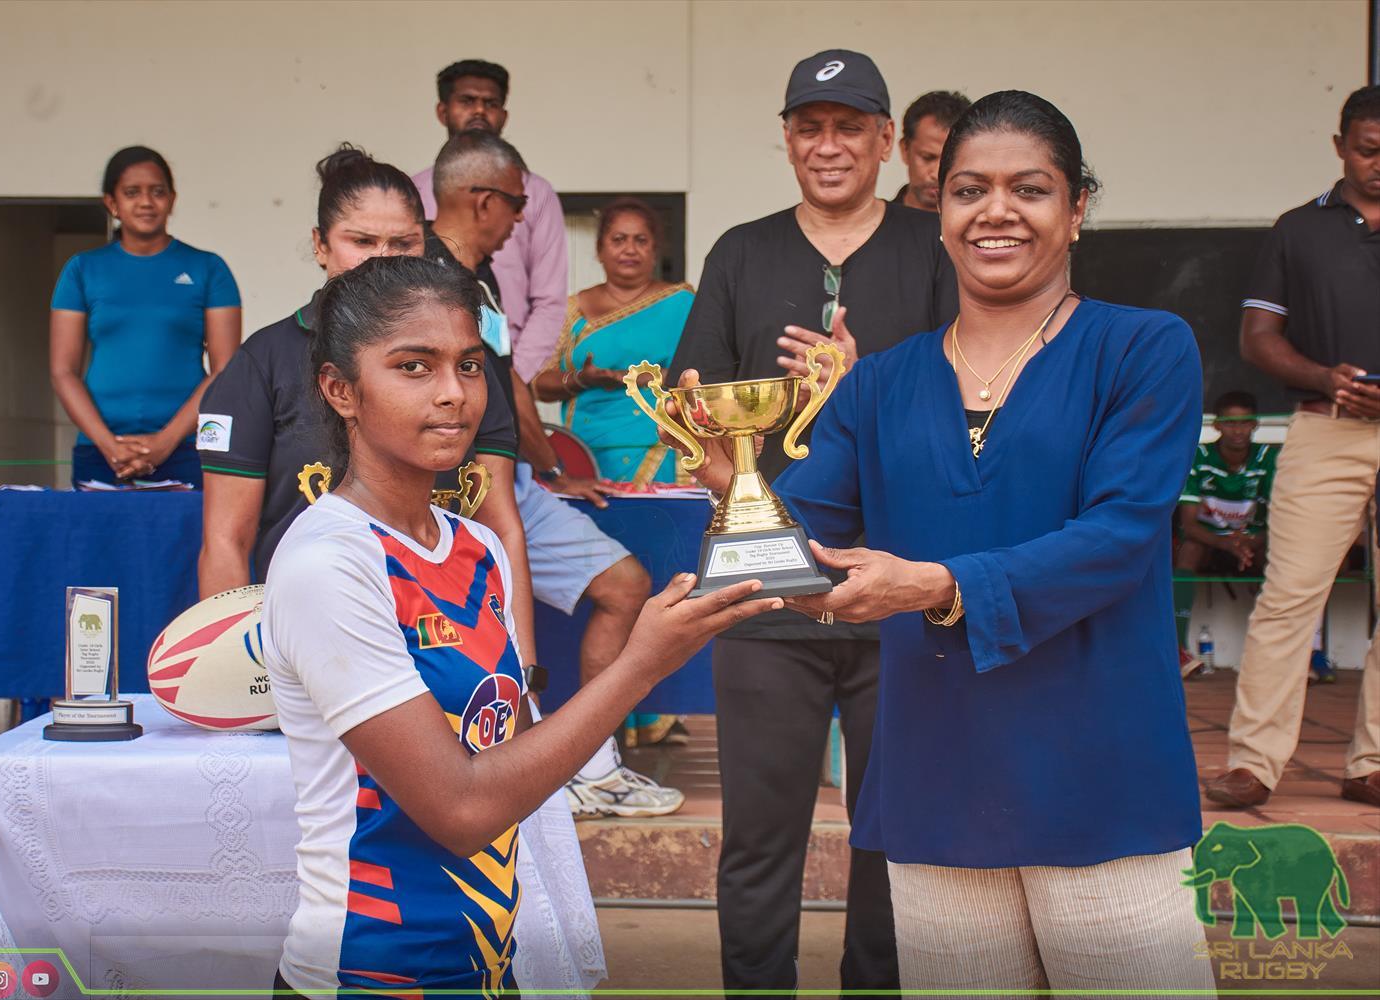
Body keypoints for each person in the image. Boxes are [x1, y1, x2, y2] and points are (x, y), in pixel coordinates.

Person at [669, 89, 1216, 994]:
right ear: (939, 210)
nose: (995, 211)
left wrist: (932, 585)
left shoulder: (1142, 349)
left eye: (1029, 189)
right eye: (969, 190)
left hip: (1099, 779)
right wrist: (738, 490)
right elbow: (805, 536)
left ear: (1076, 208)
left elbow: (1118, 538)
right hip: (937, 782)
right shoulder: (882, 382)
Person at [261, 254, 780, 998]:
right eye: (414, 367)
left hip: (484, 965)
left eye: (470, 367)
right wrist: (641, 663)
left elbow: (513, 758)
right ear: (342, 390)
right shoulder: (328, 562)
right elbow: (461, 808)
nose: (453, 395)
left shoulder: (473, 547)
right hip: (366, 970)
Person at [666, 49, 955, 993]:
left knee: (890, 835)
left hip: (897, 585)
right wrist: (745, 508)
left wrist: (862, 381)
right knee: (758, 836)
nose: (828, 146)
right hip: (763, 592)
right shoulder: (742, 253)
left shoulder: (932, 250)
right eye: (808, 126)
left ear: (886, 141)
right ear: (787, 137)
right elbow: (691, 407)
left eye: (849, 127)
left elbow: (974, 408)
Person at [194, 145, 531, 670]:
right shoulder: (263, 360)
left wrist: (521, 672)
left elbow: (500, 524)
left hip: (452, 648)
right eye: (362, 241)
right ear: (320, 245)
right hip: (315, 645)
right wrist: (244, 682)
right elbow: (226, 539)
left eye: (403, 243)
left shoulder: (467, 362)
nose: (383, 259)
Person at [425, 134, 681, 817]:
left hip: (516, 483)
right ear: (484, 200)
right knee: (475, 635)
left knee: (625, 584)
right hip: (457, 493)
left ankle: (591, 768)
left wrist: (544, 466)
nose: (521, 220)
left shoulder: (476, 278)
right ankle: (509, 768)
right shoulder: (419, 277)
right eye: (517, 203)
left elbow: (507, 383)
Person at [1206, 84, 1380, 810]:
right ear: (1340, 147)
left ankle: (1371, 765)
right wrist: (1326, 377)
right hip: (1325, 427)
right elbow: (1257, 340)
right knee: (1288, 598)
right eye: (1369, 151)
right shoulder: (1296, 231)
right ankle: (1254, 764)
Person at [50, 146, 241, 487]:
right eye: (132, 192)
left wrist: (164, 443)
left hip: (185, 449)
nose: (146, 202)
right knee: (98, 543)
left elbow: (226, 370)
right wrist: (108, 445)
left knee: (188, 544)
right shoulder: (82, 270)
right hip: (100, 451)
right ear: (112, 203)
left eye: (157, 191)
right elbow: (63, 371)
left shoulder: (209, 268)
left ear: (172, 199)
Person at [413, 59, 568, 381]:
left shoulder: (536, 193)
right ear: (443, 111)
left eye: (491, 103)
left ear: (504, 115)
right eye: (467, 101)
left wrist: (512, 376)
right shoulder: (411, 191)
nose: (480, 112)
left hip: (508, 371)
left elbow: (549, 300)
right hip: (430, 375)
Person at [534, 197, 694, 485]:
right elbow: (537, 384)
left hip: (660, 445)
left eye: (641, 240)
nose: (629, 249)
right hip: (586, 450)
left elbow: (698, 377)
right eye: (618, 239)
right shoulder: (572, 309)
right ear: (600, 249)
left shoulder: (682, 303)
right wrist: (582, 379)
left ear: (654, 250)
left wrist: (628, 377)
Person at [1173, 390, 1277, 675]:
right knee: (1189, 550)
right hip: (1210, 543)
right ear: (1217, 424)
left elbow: (1281, 517)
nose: (1238, 430)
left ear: (1256, 424)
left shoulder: (1270, 457)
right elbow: (1189, 525)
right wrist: (1228, 544)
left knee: (1288, 557)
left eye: (1245, 423)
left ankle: (1290, 655)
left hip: (1254, 543)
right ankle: (1176, 649)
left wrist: (1251, 542)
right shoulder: (1199, 456)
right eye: (1230, 423)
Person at [893, 89, 970, 211]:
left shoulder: (984, 226)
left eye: (950, 160)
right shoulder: (873, 225)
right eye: (927, 158)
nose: (937, 174)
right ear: (905, 149)